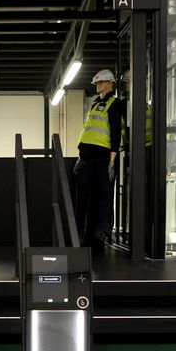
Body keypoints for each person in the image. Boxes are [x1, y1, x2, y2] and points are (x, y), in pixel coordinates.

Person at [73, 69, 123, 252]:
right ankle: (79, 233)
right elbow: (88, 131)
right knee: (83, 197)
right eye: (96, 83)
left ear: (109, 83)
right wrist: (80, 157)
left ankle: (101, 234)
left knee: (103, 197)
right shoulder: (94, 104)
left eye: (100, 83)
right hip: (87, 156)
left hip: (103, 158)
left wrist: (112, 161)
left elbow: (115, 134)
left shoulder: (114, 103)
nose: (97, 86)